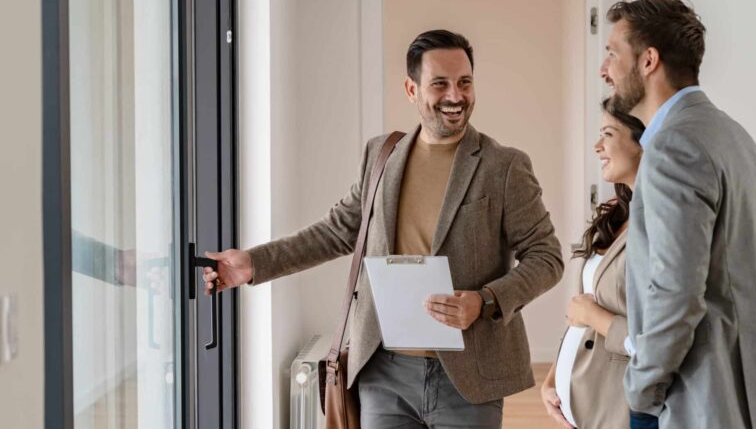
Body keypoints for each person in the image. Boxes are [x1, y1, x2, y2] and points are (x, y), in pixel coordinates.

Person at [202, 29, 565, 428]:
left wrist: (484, 300)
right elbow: (337, 231)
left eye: (465, 82)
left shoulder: (504, 166)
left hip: (469, 376)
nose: (455, 96)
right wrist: (254, 263)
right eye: (440, 83)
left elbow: (546, 257)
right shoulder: (382, 155)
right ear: (411, 89)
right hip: (384, 371)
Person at [601, 0, 756, 429]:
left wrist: (642, 393)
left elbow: (675, 292)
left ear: (648, 61)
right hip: (747, 394)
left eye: (612, 54)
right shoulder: (735, 137)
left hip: (695, 401)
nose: (604, 69)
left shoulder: (672, 146)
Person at [541, 99, 645, 429]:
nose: (597, 146)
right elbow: (580, 307)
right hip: (580, 407)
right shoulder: (619, 215)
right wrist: (553, 378)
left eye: (608, 134)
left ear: (642, 144)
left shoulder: (659, 225)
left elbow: (655, 342)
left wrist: (592, 316)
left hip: (618, 409)